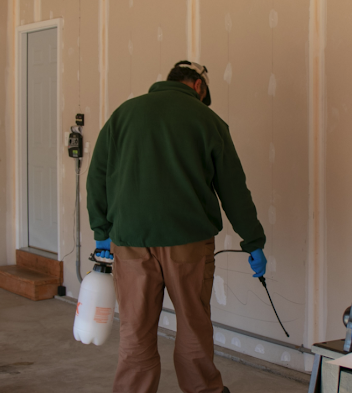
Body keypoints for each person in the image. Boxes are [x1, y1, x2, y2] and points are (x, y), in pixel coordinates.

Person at [86, 60, 267, 393]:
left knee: (135, 333)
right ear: (198, 86)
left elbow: (97, 177)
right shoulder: (208, 120)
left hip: (131, 244)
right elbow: (233, 188)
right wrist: (252, 239)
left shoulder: (123, 115)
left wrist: (102, 232)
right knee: (194, 330)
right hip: (189, 244)